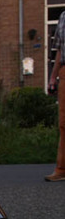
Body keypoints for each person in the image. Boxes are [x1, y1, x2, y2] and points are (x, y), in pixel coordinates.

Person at [45, 11, 65, 182]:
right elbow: (59, 50)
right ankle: (61, 169)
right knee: (63, 123)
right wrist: (53, 77)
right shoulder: (63, 17)